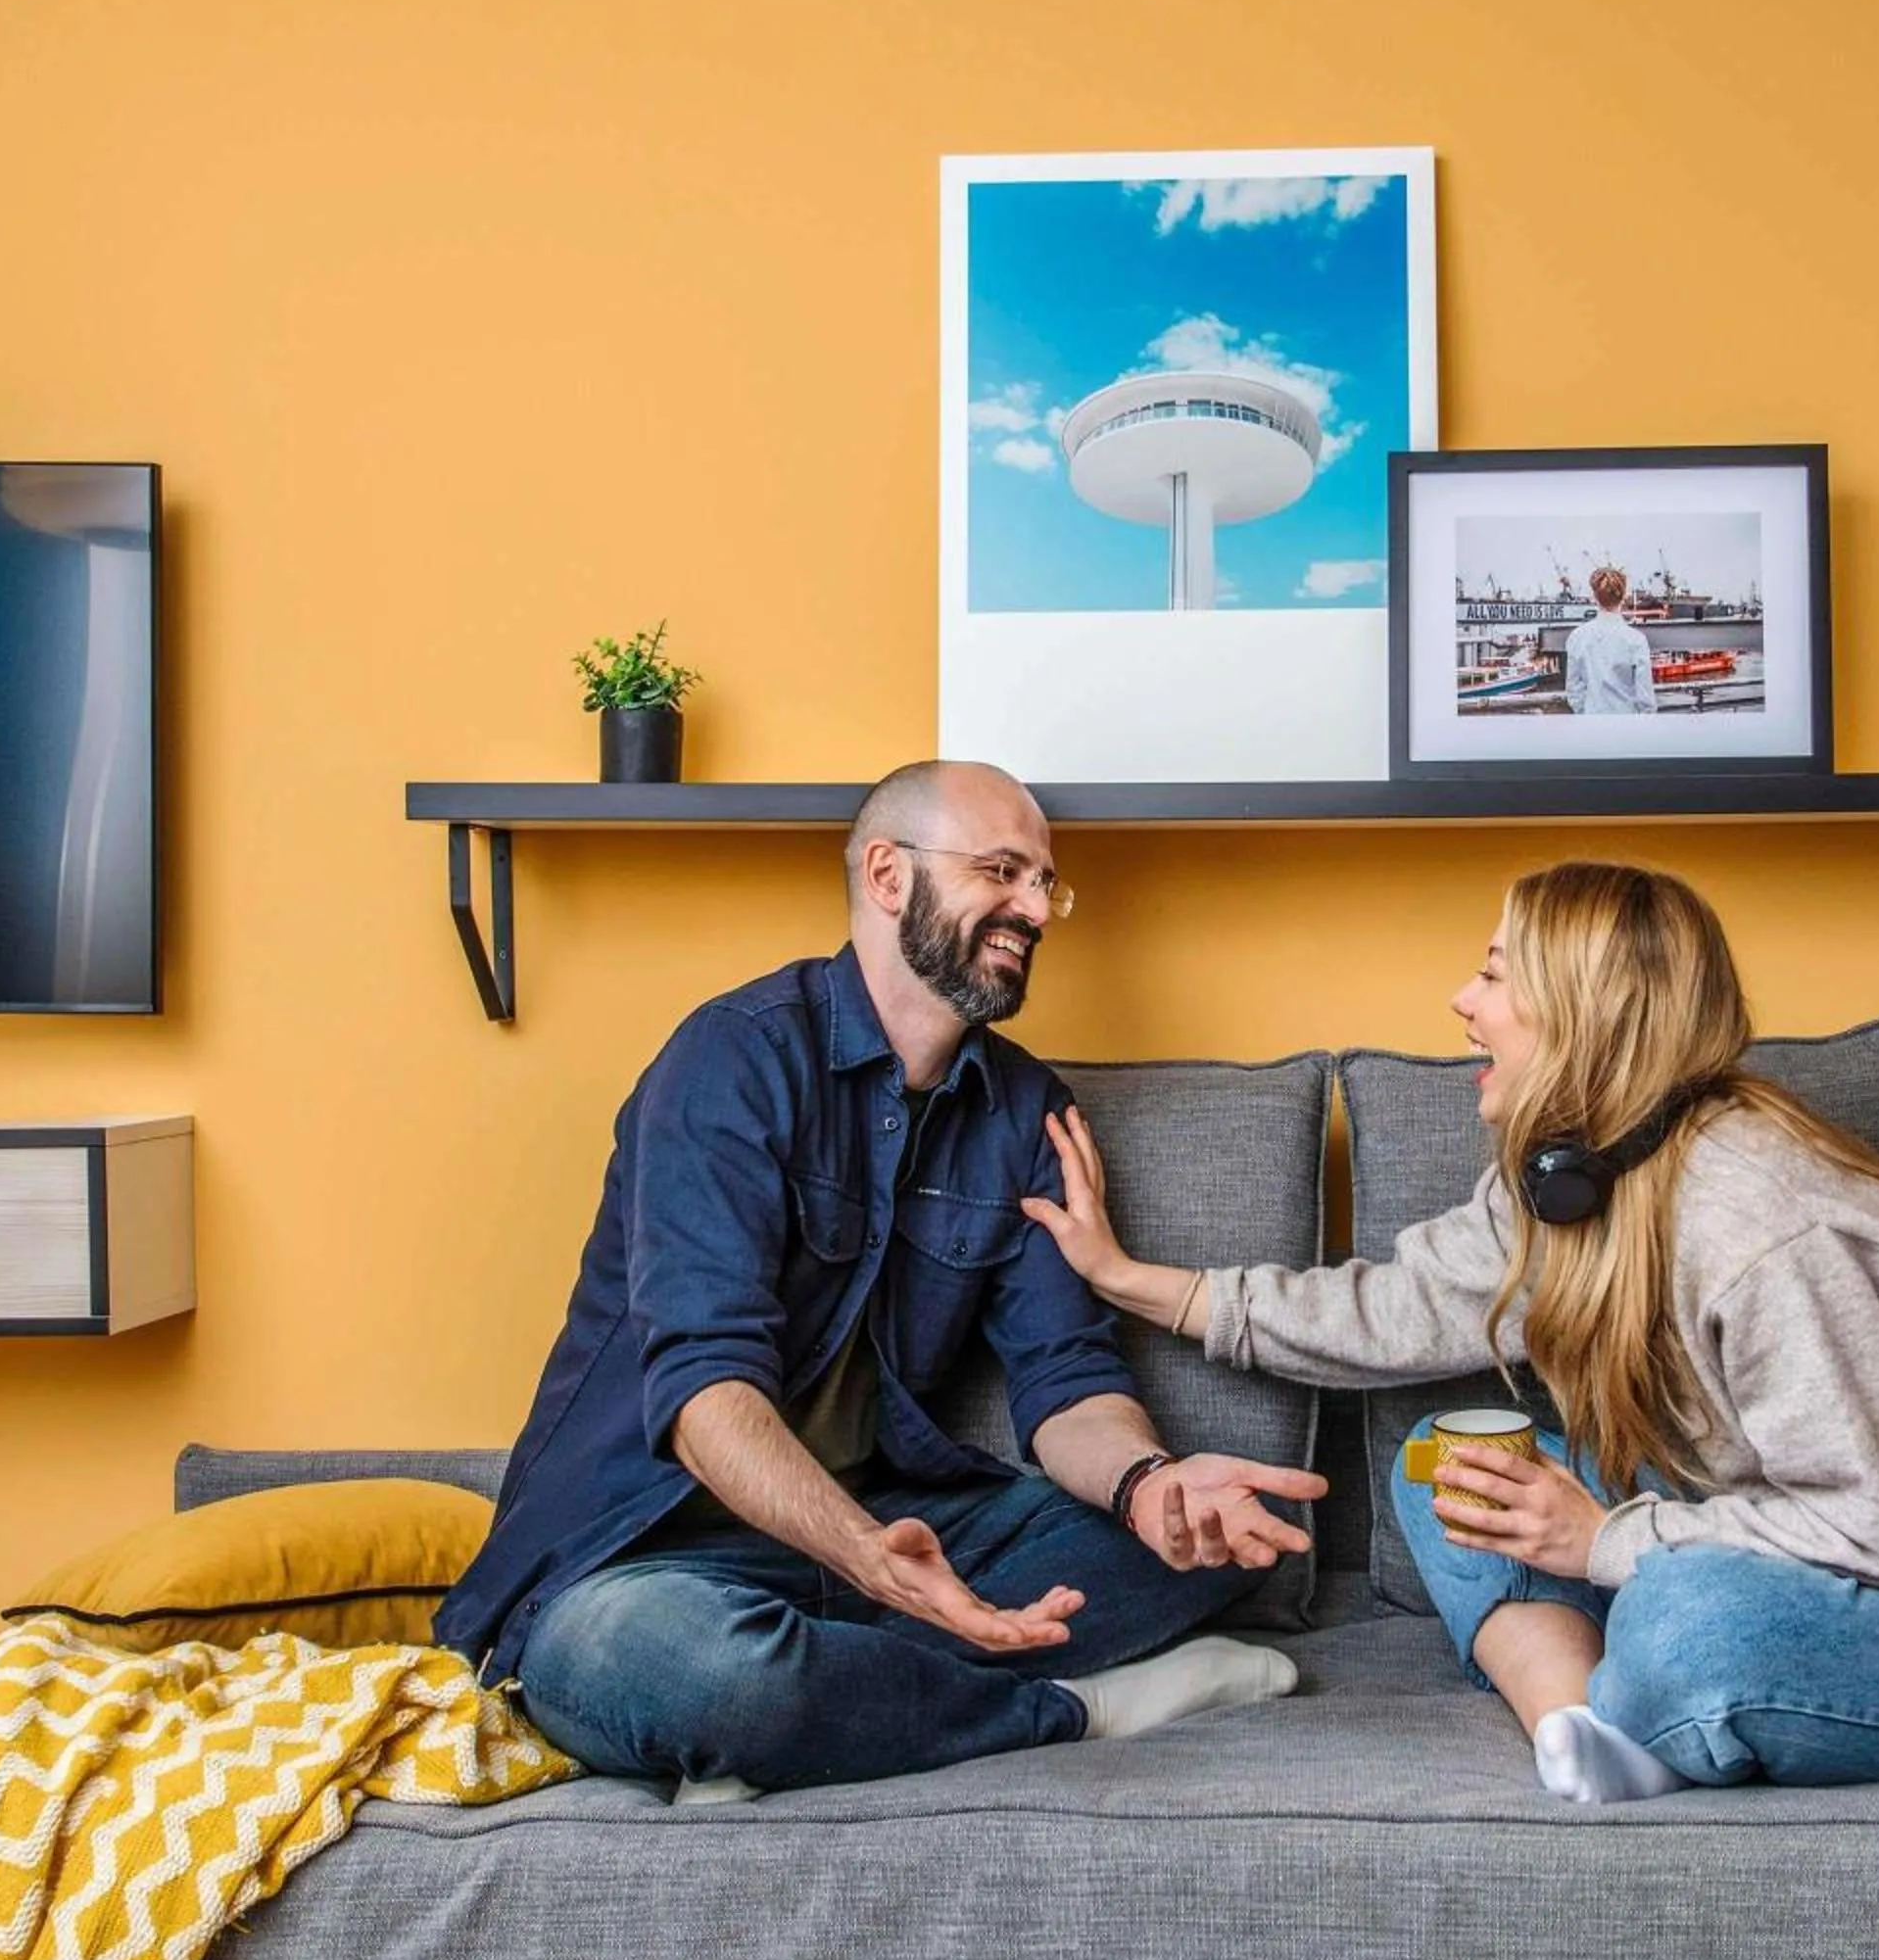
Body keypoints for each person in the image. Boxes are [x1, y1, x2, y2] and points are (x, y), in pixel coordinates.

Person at [1022, 860, 1879, 1803]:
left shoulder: (1766, 1226)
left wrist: (1605, 1544)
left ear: (1587, 1016)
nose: (1461, 1000)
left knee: (1690, 1627)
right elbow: (1390, 1311)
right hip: (1773, 1534)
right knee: (1447, 1462)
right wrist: (1130, 1280)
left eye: (1493, 975)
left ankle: (1645, 1698)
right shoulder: (1577, 1177)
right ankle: (1579, 1732)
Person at [439, 761, 1325, 1795]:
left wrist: (1148, 1486)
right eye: (1003, 870)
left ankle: (837, 1705)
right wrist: (869, 1560)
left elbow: (1066, 1380)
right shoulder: (731, 1061)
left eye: (1046, 883)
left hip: (896, 1536)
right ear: (888, 874)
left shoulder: (1023, 1111)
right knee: (702, 1673)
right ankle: (1067, 1708)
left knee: (1210, 1552)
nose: (1035, 908)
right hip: (652, 1557)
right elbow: (701, 1394)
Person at [1562, 565, 1657, 714]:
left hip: (1592, 724)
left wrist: (1585, 711)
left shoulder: (1577, 637)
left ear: (1594, 597)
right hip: (1627, 724)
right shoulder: (1636, 640)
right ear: (1624, 596)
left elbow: (1574, 691)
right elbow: (1645, 698)